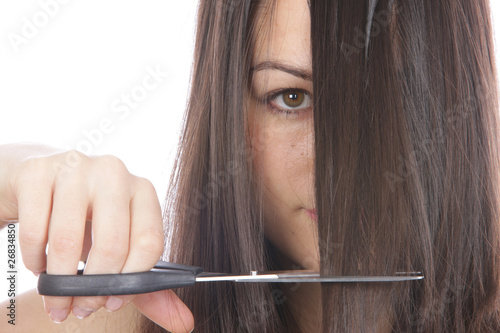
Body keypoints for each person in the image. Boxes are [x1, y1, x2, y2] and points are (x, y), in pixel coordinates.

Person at [1, 0, 499, 332]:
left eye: (393, 97)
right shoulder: (113, 321)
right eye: (291, 96)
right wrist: (16, 177)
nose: (340, 171)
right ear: (226, 114)